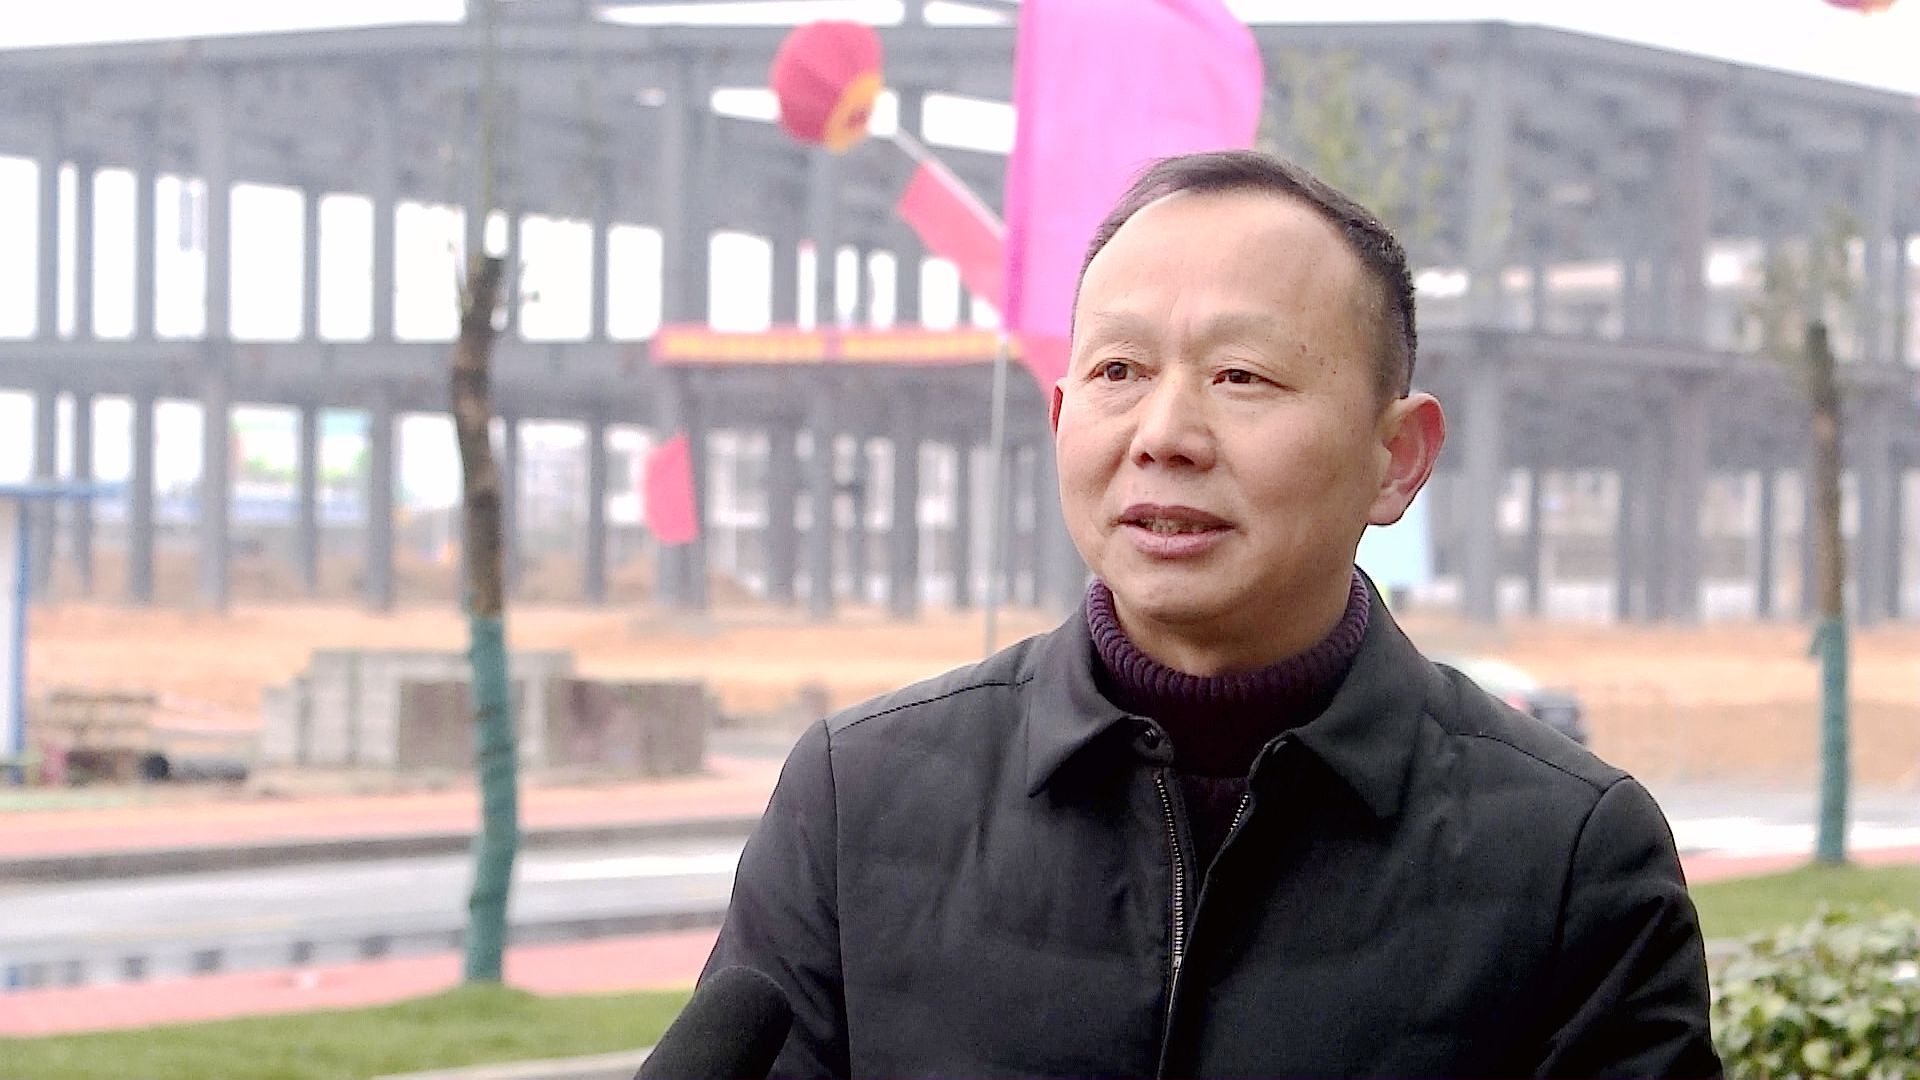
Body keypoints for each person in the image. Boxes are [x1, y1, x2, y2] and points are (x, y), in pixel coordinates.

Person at [702, 150, 1721, 1078]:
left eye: (1242, 376)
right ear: (1060, 420)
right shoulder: (854, 802)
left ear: (1397, 458)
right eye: (1118, 372)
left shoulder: (1570, 860)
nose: (1165, 434)